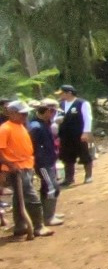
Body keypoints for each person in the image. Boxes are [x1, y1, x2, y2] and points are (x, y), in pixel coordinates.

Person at [0, 101, 54, 237]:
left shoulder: (21, 126)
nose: (25, 116)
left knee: (19, 197)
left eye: (26, 114)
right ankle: (38, 226)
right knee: (31, 196)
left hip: (26, 166)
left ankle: (20, 226)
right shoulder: (5, 129)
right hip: (16, 168)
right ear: (12, 113)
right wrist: (10, 165)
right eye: (22, 113)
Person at [28, 99, 64, 227]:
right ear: (48, 111)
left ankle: (50, 213)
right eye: (53, 112)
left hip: (49, 160)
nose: (54, 115)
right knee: (51, 187)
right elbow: (32, 147)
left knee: (51, 187)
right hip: (42, 163)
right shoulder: (35, 127)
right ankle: (48, 217)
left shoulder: (45, 123)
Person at [57, 84, 94, 185]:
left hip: (79, 134)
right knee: (67, 157)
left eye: (62, 93)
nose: (60, 96)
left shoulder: (82, 103)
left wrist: (86, 132)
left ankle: (88, 176)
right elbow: (57, 118)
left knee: (84, 154)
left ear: (69, 93)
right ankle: (69, 178)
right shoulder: (61, 104)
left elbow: (88, 118)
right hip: (65, 135)